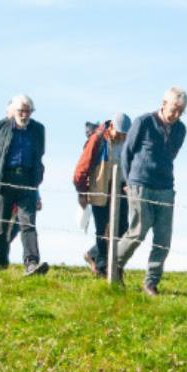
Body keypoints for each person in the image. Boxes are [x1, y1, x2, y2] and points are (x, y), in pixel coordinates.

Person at [114, 87, 187, 295]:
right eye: (174, 109)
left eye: (181, 111)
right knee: (138, 230)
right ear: (164, 103)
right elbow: (126, 153)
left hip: (165, 187)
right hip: (140, 184)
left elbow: (171, 155)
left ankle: (151, 282)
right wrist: (129, 181)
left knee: (164, 238)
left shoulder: (181, 130)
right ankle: (115, 266)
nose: (176, 114)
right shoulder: (143, 122)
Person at [0, 95, 49, 275]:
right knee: (1, 223)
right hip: (3, 180)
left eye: (28, 111)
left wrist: (37, 178)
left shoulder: (38, 129)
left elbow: (39, 154)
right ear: (14, 111)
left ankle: (32, 263)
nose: (25, 114)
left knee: (27, 223)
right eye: (21, 111)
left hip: (27, 181)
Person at [72, 112, 131, 277]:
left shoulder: (127, 142)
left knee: (123, 229)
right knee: (104, 229)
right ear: (111, 127)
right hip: (100, 190)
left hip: (120, 190)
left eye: (124, 135)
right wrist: (82, 193)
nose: (121, 138)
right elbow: (81, 169)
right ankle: (103, 267)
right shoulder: (97, 140)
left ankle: (93, 254)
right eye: (119, 134)